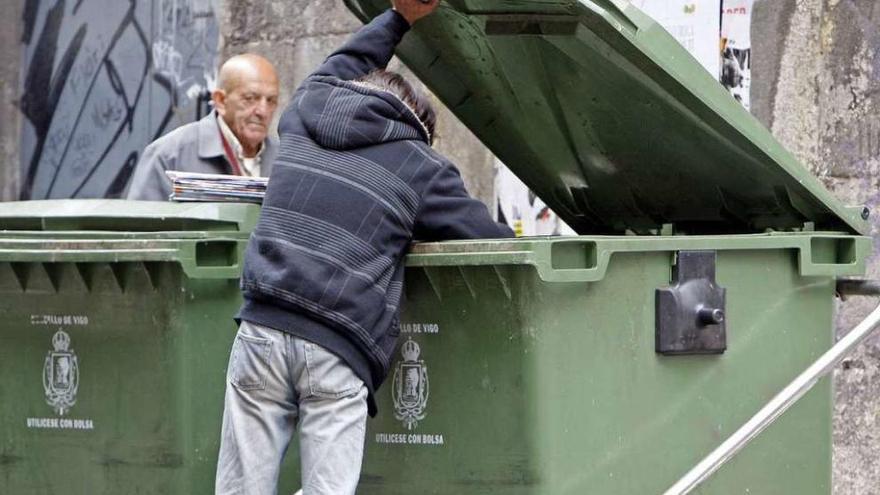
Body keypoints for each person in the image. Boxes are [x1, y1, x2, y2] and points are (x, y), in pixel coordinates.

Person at [214, 0, 513, 494]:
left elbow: (345, 61)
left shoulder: (308, 106)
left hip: (262, 326)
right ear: (419, 126)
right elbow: (489, 240)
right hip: (337, 342)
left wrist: (400, 17)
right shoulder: (420, 167)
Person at [126, 54, 280, 200]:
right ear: (220, 101)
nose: (263, 111)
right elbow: (141, 224)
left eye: (271, 101)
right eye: (250, 98)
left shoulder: (285, 159)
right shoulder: (171, 155)